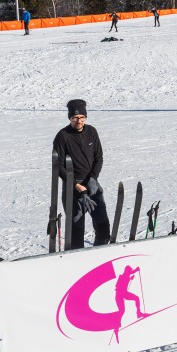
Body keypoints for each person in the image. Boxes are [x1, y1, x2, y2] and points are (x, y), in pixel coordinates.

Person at [53, 99, 110, 249]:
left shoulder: (92, 132)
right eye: (75, 118)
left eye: (82, 117)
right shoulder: (63, 136)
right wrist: (76, 186)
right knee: (76, 233)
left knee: (103, 228)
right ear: (70, 118)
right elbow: (58, 166)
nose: (79, 121)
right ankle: (78, 259)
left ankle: (99, 255)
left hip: (92, 184)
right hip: (73, 188)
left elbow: (99, 158)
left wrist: (92, 179)